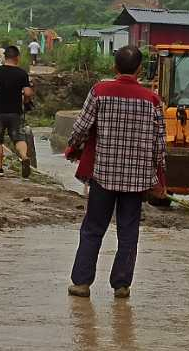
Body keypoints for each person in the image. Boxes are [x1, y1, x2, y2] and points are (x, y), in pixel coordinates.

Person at [65, 45, 167, 299]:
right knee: (128, 231)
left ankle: (81, 283)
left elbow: (81, 128)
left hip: (103, 174)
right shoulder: (152, 100)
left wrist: (72, 149)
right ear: (140, 69)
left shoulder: (100, 91)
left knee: (93, 228)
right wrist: (160, 180)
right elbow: (160, 144)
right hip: (137, 179)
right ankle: (121, 286)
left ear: (114, 67)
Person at [0, 45, 34, 178]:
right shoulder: (22, 73)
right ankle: (24, 157)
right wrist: (26, 101)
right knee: (18, 138)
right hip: (15, 111)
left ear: (5, 57)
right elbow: (27, 92)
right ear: (17, 58)